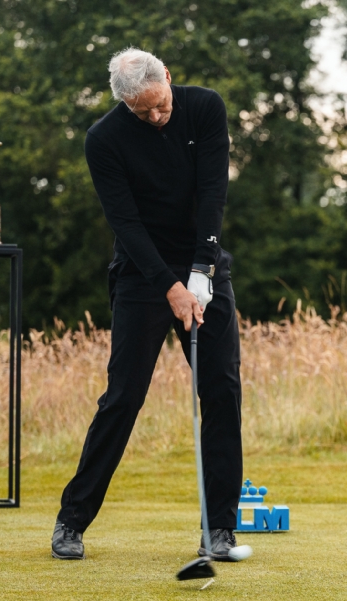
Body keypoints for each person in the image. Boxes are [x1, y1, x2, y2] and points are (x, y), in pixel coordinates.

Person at [51, 48, 244, 562]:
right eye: (144, 113)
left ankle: (219, 530)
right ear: (124, 105)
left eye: (160, 106)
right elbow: (126, 224)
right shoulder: (104, 139)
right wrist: (170, 286)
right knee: (124, 397)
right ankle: (71, 521)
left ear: (169, 82)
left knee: (221, 391)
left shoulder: (204, 108)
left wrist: (201, 272)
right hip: (141, 274)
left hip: (202, 264)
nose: (156, 118)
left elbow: (212, 193)